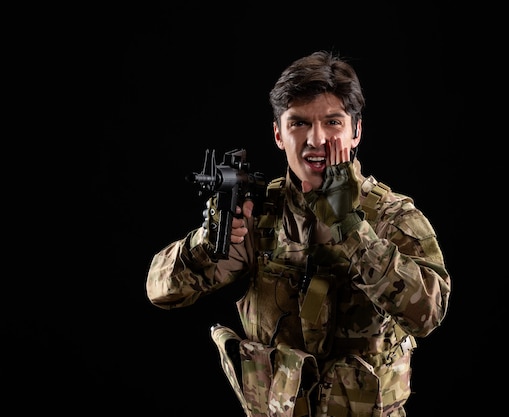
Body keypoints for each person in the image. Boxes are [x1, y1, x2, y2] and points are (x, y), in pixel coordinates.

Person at [146, 50, 451, 417]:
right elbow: (161, 291)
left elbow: (428, 314)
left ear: (356, 131)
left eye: (333, 123)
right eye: (299, 123)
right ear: (278, 133)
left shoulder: (391, 216)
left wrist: (351, 229)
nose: (316, 139)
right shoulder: (258, 215)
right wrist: (208, 243)